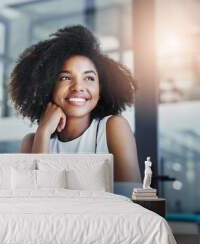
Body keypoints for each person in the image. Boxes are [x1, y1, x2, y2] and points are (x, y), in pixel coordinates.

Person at [9, 25, 140, 182]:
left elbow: (129, 195)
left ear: (100, 88)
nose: (78, 87)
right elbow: (35, 200)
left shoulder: (113, 127)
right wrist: (43, 133)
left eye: (89, 78)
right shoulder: (32, 142)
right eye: (65, 77)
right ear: (48, 85)